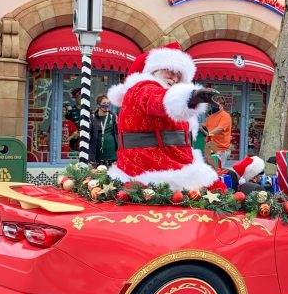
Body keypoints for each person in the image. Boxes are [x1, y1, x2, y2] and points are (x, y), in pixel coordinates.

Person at [106, 42, 227, 192]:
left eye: (178, 75)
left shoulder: (162, 91)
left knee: (219, 190)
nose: (174, 78)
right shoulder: (143, 88)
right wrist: (191, 97)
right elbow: (155, 99)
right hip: (153, 171)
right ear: (154, 70)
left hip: (176, 167)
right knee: (219, 192)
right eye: (170, 71)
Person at [89, 94, 118, 166]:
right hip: (96, 154)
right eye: (104, 103)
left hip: (112, 154)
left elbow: (118, 133)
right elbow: (89, 134)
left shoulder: (113, 117)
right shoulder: (92, 117)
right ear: (98, 105)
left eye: (108, 103)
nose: (106, 105)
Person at [203, 95, 232, 164]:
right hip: (210, 148)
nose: (215, 106)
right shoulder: (210, 117)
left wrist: (208, 134)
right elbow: (204, 128)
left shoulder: (225, 116)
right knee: (210, 168)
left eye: (217, 104)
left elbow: (220, 129)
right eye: (214, 104)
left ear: (222, 105)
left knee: (217, 168)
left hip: (221, 150)